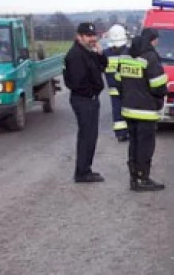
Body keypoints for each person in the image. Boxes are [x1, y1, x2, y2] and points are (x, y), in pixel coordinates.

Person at [115, 28, 167, 191]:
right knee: (145, 146)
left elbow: (118, 81)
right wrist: (160, 97)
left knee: (134, 144)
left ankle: (133, 178)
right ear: (152, 40)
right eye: (156, 40)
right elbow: (158, 86)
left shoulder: (124, 56)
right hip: (146, 111)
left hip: (128, 110)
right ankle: (143, 179)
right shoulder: (150, 57)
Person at [63, 22, 109, 183]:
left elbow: (103, 66)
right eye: (88, 36)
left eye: (93, 35)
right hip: (84, 101)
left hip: (90, 100)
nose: (92, 38)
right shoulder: (76, 55)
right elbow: (77, 83)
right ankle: (82, 173)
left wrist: (100, 53)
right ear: (79, 37)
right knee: (86, 137)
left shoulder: (88, 52)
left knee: (91, 136)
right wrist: (91, 94)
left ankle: (86, 169)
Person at [103, 24, 130, 142]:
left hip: (113, 87)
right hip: (127, 87)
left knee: (117, 110)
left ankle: (120, 133)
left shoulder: (105, 53)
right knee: (128, 110)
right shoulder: (129, 52)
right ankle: (126, 131)